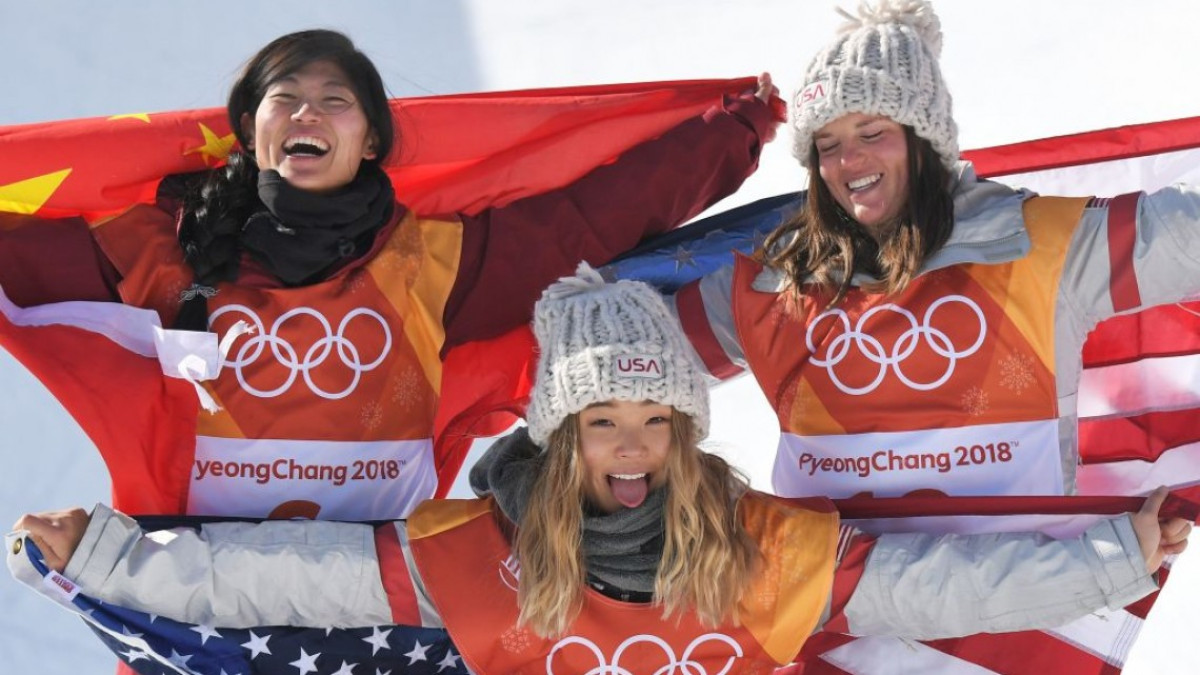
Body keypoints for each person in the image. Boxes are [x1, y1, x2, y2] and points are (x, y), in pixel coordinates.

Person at [9, 264, 1189, 674]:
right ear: (561, 438)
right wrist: (113, 555)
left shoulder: (761, 548)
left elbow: (943, 593)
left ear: (686, 432)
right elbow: (279, 584)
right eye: (603, 424)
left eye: (655, 421)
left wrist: (1112, 556)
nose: (632, 447)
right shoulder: (482, 556)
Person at [0, 30, 778, 521]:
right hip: (190, 624)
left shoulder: (433, 260)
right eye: (287, 98)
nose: (308, 114)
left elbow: (592, 217)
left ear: (372, 139)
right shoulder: (150, 245)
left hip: (366, 622)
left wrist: (733, 131)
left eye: (334, 102)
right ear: (250, 129)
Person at [673, 0, 1200, 506]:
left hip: (1020, 586)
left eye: (872, 131)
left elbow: (1183, 238)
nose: (848, 159)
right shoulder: (776, 283)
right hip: (841, 594)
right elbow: (643, 353)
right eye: (827, 146)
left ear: (924, 140)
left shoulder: (1040, 247)